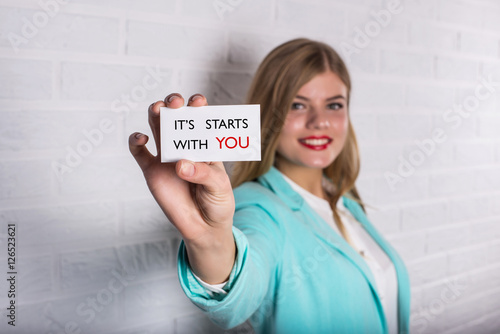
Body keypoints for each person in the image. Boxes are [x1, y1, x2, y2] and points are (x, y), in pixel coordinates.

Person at [129, 38, 410, 334]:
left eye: (334, 105)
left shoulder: (345, 199)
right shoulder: (256, 205)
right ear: (269, 114)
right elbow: (242, 291)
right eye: (298, 105)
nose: (319, 122)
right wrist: (210, 241)